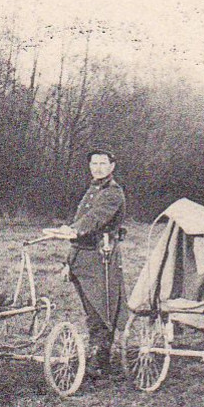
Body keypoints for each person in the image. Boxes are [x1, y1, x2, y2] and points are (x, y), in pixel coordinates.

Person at [51, 149, 127, 378]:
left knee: (102, 309)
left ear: (112, 167)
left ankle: (100, 359)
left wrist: (74, 230)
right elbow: (81, 219)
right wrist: (68, 261)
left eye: (103, 163)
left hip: (100, 257)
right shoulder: (92, 190)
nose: (98, 167)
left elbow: (95, 218)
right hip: (82, 257)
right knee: (90, 309)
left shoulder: (114, 193)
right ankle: (97, 354)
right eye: (94, 163)